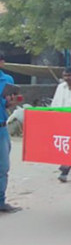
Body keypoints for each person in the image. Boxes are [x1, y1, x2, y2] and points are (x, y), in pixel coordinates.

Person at [0, 52, 21, 213]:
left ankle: (1, 201)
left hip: (1, 128)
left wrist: (12, 102)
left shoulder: (7, 80)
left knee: (3, 167)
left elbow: (8, 105)